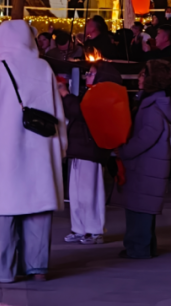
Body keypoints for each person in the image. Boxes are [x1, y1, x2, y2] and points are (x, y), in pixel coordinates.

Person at [0, 20, 66, 283]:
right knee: (38, 209)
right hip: (41, 150)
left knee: (5, 213)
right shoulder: (43, 68)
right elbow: (58, 113)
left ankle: (3, 270)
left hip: (7, 152)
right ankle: (38, 268)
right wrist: (61, 147)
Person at [117, 58, 171, 259]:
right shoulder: (154, 101)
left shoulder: (153, 105)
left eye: (143, 74)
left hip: (147, 164)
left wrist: (125, 151)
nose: (139, 78)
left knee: (140, 207)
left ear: (153, 79)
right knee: (141, 206)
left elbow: (147, 136)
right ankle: (142, 247)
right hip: (148, 163)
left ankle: (139, 249)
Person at [60, 60, 121, 245]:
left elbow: (82, 112)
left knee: (90, 192)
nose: (87, 76)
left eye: (91, 73)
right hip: (80, 147)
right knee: (76, 193)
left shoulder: (102, 95)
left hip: (90, 148)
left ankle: (94, 230)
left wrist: (66, 95)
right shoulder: (92, 93)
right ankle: (79, 228)